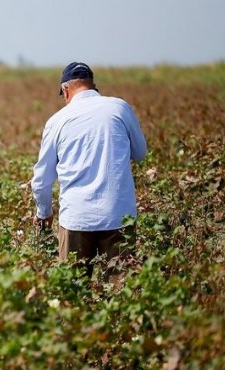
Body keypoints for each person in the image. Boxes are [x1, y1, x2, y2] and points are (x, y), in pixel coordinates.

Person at [31, 62, 147, 278]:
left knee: (73, 294)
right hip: (118, 215)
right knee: (121, 294)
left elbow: (41, 180)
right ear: (94, 86)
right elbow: (140, 153)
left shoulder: (57, 121)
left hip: (76, 218)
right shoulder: (119, 108)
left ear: (66, 90)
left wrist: (44, 213)